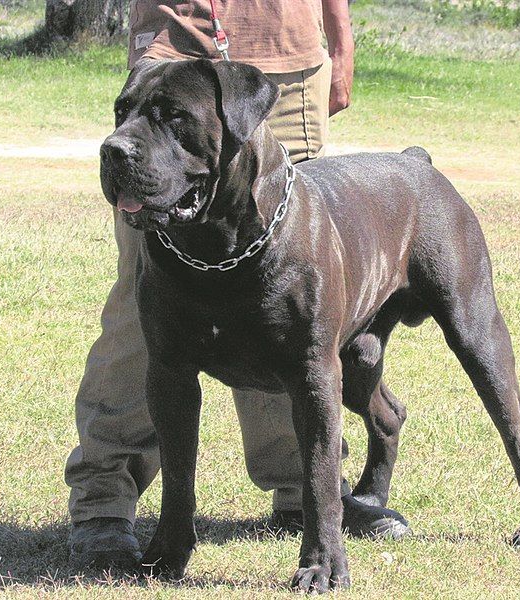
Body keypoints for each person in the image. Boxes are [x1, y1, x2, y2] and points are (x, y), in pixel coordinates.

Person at [66, 0, 409, 571]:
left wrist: (340, 43)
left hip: (288, 53)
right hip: (174, 41)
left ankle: (305, 496)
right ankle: (104, 496)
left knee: (289, 300)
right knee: (146, 301)